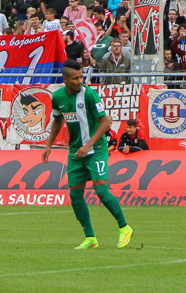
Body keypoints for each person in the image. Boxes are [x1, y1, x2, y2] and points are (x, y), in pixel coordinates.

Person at [41, 60, 133, 250]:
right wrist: (48, 145)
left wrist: (89, 144)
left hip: (96, 149)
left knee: (101, 191)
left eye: (82, 77)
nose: (80, 81)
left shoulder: (89, 94)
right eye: (75, 78)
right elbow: (57, 120)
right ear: (65, 79)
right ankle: (90, 238)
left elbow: (105, 123)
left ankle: (124, 227)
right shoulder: (57, 97)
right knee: (75, 194)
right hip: (76, 152)